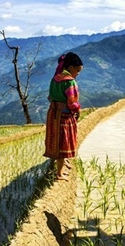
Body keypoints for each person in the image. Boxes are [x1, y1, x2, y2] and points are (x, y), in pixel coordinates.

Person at [44, 52, 84, 181]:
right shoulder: (70, 82)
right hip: (64, 115)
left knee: (55, 140)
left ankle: (60, 166)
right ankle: (59, 174)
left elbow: (50, 97)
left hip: (53, 114)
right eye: (77, 70)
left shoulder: (55, 79)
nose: (78, 73)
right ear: (71, 67)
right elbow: (72, 102)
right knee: (63, 144)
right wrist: (77, 111)